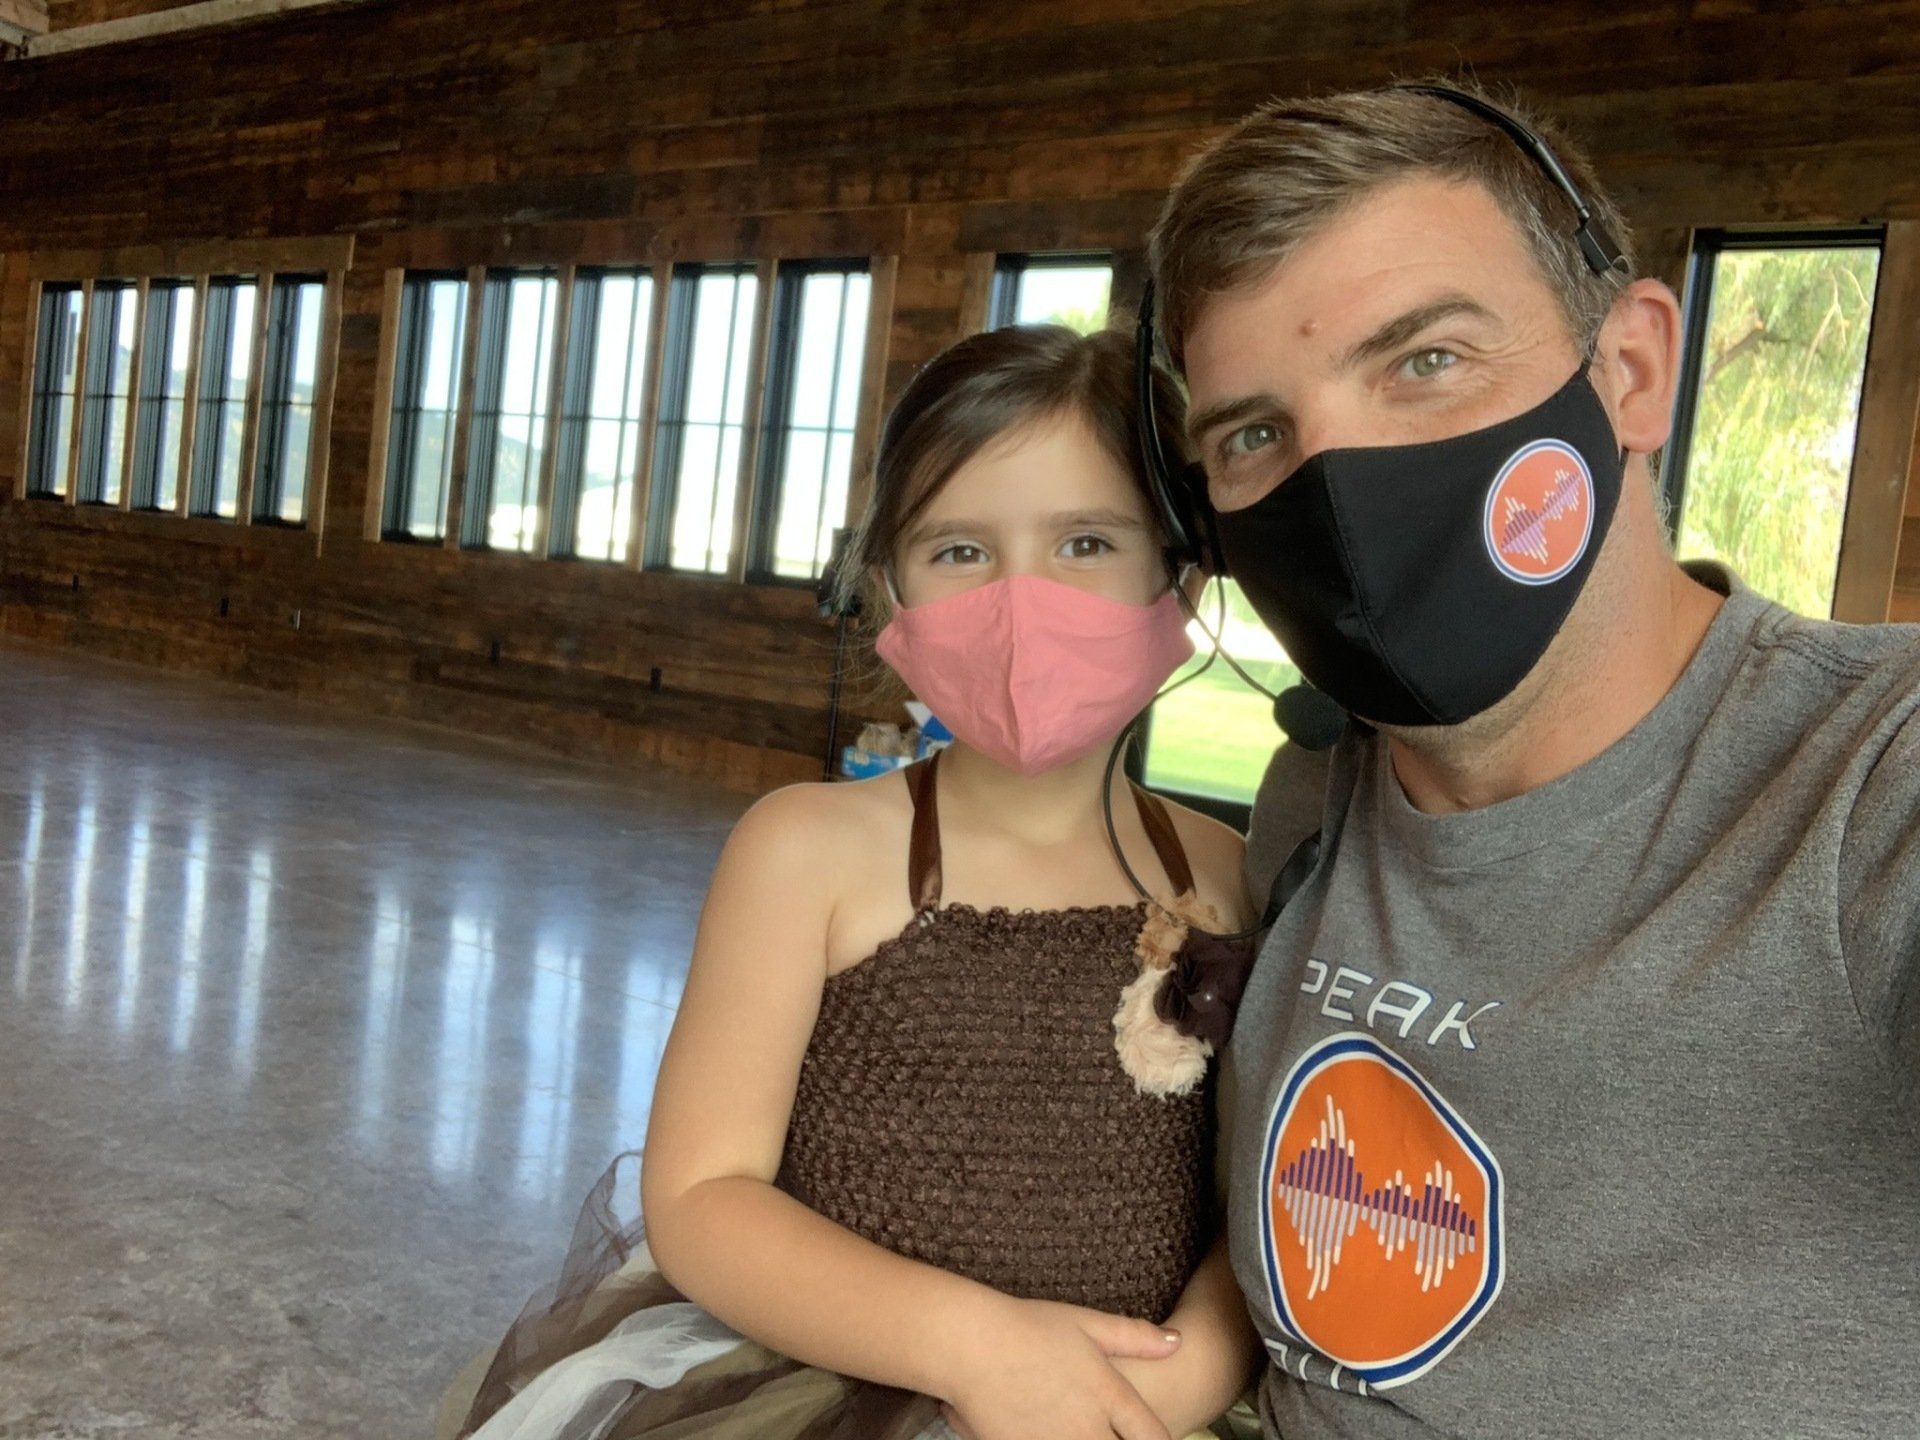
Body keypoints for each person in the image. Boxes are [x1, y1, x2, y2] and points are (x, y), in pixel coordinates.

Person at [1144, 78, 1920, 1439]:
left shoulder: (1868, 779)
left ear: (1627, 373)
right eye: (1255, 434)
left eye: (1426, 362)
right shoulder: (1314, 799)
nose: (1342, 478)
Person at [435, 323, 1267, 1440]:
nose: (1024, 601)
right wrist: (979, 1349)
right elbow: (700, 1196)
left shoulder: (1226, 873)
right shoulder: (807, 849)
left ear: (1181, 574)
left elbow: (1249, 1201)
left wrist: (1198, 1364)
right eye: (961, 552)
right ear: (891, 592)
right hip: (829, 1392)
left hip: (1128, 1403)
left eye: (1086, 543)